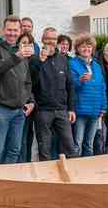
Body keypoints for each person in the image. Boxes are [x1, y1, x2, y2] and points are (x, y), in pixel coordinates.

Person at [0, 15, 35, 164]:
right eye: (9, 30)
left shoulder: (21, 51)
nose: (12, 33)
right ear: (3, 30)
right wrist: (17, 56)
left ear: (20, 31)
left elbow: (26, 80)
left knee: (14, 151)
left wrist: (30, 100)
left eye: (15, 30)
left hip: (19, 111)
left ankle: (7, 184)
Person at [30, 27, 77, 161]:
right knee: (44, 149)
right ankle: (46, 179)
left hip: (62, 110)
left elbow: (70, 85)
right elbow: (30, 83)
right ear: (43, 40)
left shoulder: (63, 60)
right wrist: (40, 62)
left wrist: (71, 108)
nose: (51, 41)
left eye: (53, 39)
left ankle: (72, 177)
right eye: (48, 38)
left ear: (57, 41)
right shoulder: (34, 59)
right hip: (43, 111)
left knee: (70, 147)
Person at [70, 34, 107, 157]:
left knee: (89, 144)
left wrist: (103, 107)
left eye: (89, 47)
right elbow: (69, 86)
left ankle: (88, 170)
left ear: (93, 49)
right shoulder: (72, 64)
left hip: (95, 110)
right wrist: (79, 80)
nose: (86, 49)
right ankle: (75, 170)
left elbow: (102, 87)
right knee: (77, 143)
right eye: (83, 47)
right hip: (80, 110)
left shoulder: (96, 66)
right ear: (77, 49)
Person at [17, 31, 36, 163]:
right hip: (19, 105)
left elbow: (34, 85)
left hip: (32, 105)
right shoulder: (15, 60)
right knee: (19, 142)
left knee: (28, 139)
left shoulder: (34, 61)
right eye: (23, 43)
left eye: (29, 44)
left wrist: (32, 102)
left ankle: (26, 166)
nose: (26, 46)